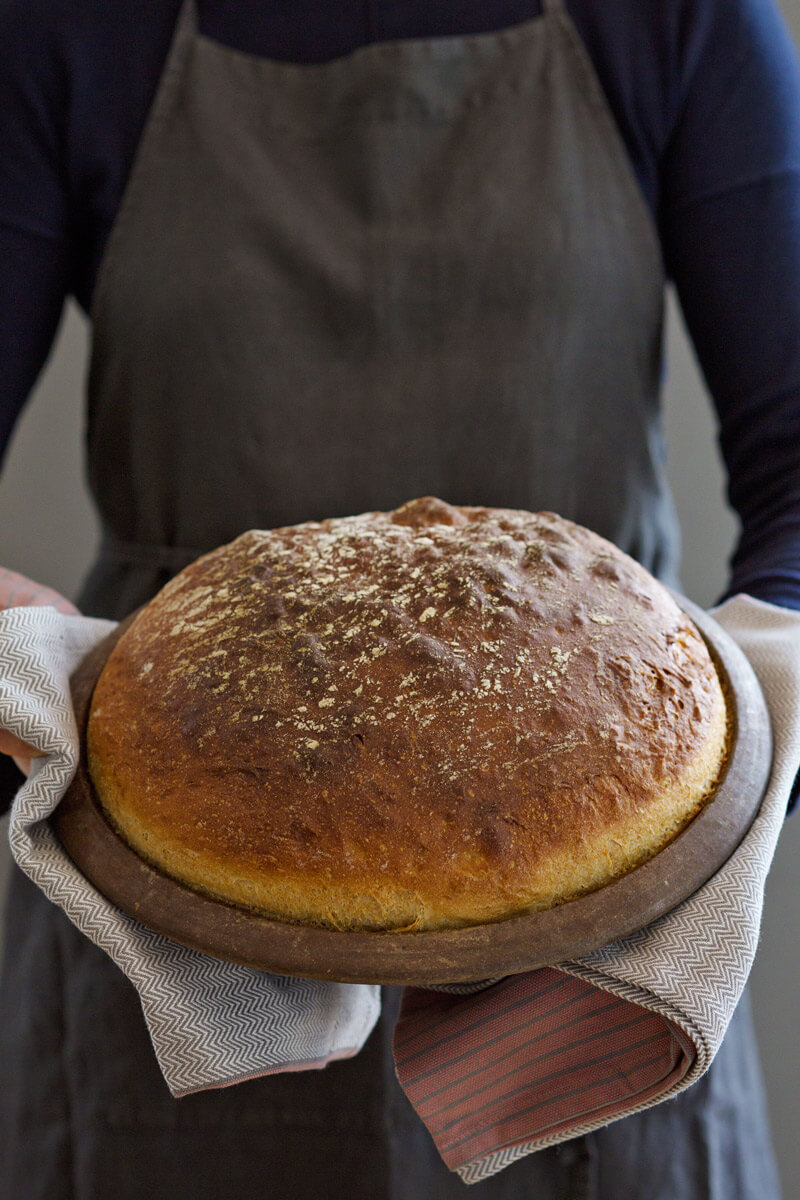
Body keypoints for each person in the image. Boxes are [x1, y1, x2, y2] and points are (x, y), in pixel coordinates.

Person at [1, 0, 799, 1196]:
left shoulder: (675, 21)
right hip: (168, 938)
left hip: (604, 944)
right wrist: (23, 692)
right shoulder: (65, 32)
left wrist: (738, 774)